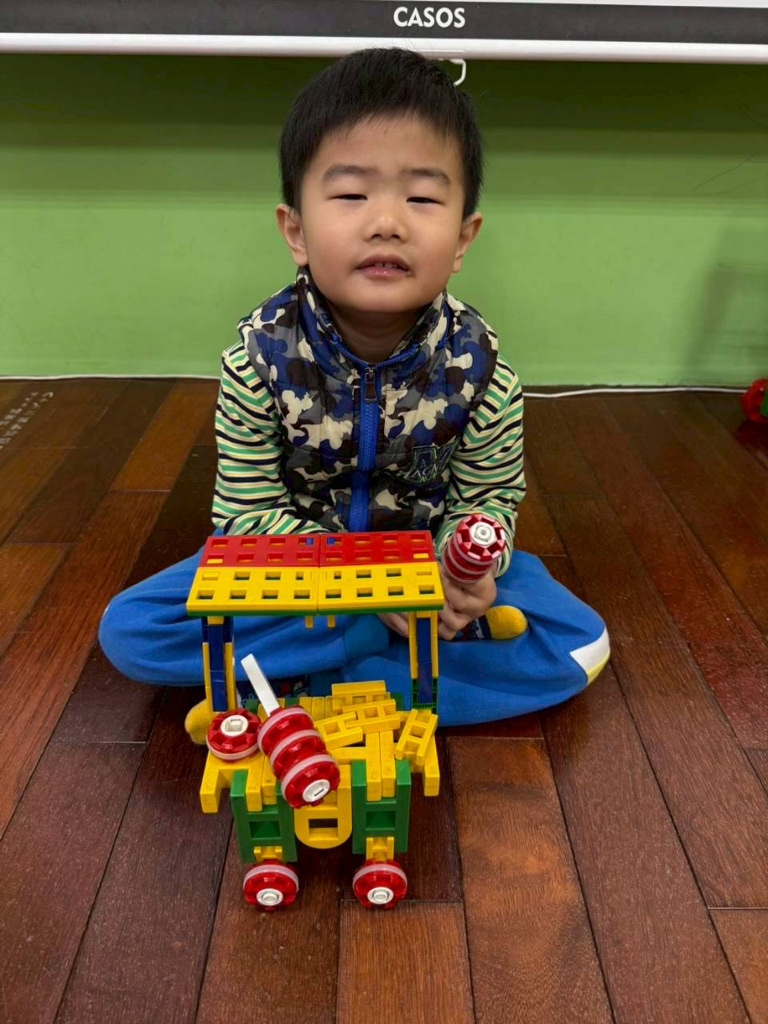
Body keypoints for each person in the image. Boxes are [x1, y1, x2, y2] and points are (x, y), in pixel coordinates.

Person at [99, 47, 609, 738]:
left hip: (424, 571)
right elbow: (247, 515)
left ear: (463, 238)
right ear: (296, 231)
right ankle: (385, 663)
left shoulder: (484, 373)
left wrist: (463, 567)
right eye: (350, 195)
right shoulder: (257, 362)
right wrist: (369, 587)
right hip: (295, 575)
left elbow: (487, 499)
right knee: (132, 630)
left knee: (578, 641)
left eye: (422, 198)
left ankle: (299, 686)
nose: (387, 222)